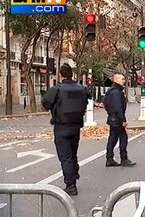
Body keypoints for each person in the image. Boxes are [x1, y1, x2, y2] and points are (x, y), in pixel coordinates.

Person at [41, 63, 91, 196]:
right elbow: (88, 97)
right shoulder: (81, 88)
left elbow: (46, 104)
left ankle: (71, 185)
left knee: (66, 157)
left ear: (60, 75)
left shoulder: (56, 89)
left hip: (62, 127)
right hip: (76, 127)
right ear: (72, 74)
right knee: (72, 154)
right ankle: (74, 175)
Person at [103, 73, 136, 167]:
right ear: (116, 80)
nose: (124, 81)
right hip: (117, 119)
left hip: (112, 118)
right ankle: (123, 158)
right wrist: (123, 120)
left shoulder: (111, 91)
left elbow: (105, 103)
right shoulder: (116, 92)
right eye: (122, 79)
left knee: (112, 138)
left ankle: (109, 158)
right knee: (123, 138)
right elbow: (118, 107)